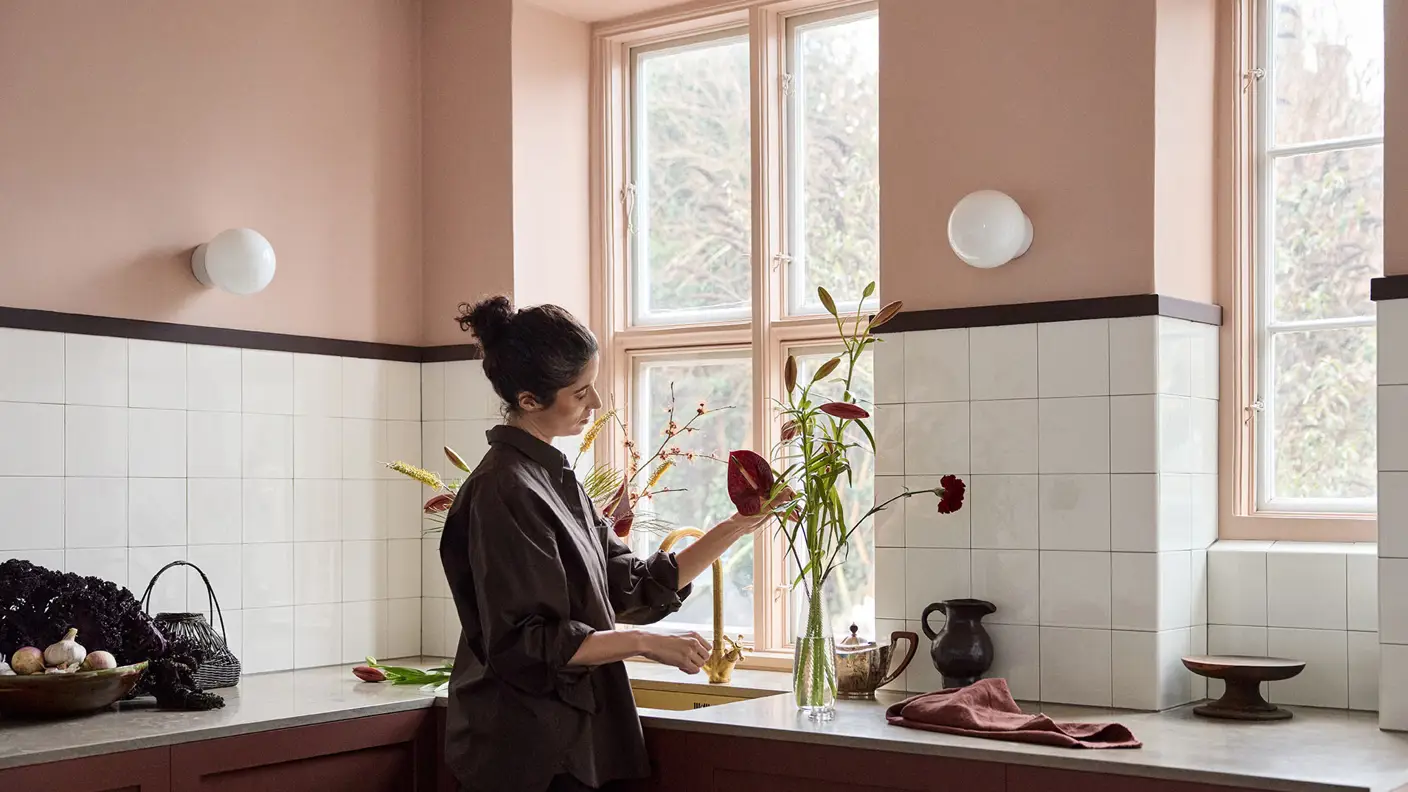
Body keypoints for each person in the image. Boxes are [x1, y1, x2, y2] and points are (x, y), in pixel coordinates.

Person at [440, 296, 783, 792]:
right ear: (530, 399)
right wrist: (646, 644)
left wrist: (736, 525)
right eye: (580, 393)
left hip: (571, 743)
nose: (596, 404)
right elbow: (525, 643)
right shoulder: (503, 490)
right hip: (524, 753)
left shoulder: (554, 478)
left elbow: (631, 586)